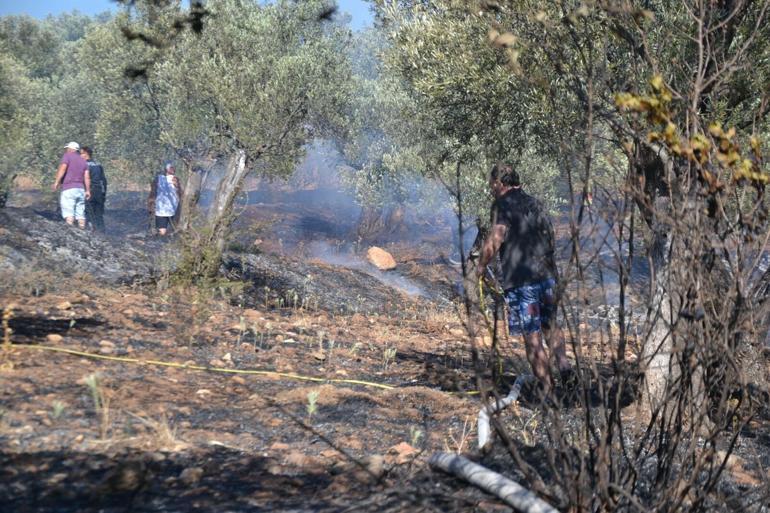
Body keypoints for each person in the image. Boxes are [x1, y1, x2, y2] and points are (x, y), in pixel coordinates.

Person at [475, 163, 573, 396]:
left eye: (492, 185)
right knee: (551, 325)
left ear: (499, 183)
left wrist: (480, 265)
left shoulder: (502, 204)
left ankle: (547, 389)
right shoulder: (535, 202)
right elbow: (550, 236)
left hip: (523, 281)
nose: (491, 189)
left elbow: (497, 237)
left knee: (532, 335)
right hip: (547, 277)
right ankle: (566, 369)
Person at [52, 141, 91, 228]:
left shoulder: (67, 156)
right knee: (80, 214)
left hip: (69, 188)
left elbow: (63, 168)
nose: (66, 150)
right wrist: (88, 190)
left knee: (69, 213)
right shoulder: (83, 160)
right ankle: (82, 231)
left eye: (67, 149)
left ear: (70, 149)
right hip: (80, 190)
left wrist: (56, 182)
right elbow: (87, 177)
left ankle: (70, 233)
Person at [147, 161, 182, 236]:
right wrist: (150, 204)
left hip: (173, 209)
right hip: (161, 209)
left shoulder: (175, 179)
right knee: (162, 232)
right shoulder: (158, 178)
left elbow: (180, 192)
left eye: (173, 167)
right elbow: (153, 192)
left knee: (175, 229)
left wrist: (177, 186)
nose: (173, 169)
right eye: (171, 168)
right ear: (166, 169)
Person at [80, 146, 107, 232]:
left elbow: (84, 179)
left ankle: (93, 232)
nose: (80, 156)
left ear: (86, 154)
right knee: (99, 213)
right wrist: (104, 193)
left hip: (90, 191)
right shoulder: (98, 164)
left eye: (81, 153)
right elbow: (104, 180)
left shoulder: (84, 165)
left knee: (89, 212)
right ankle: (102, 232)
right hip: (100, 191)